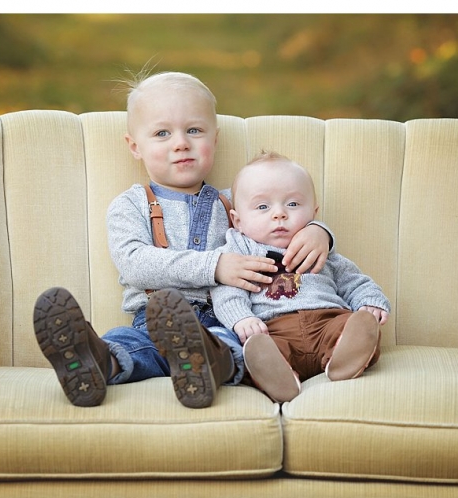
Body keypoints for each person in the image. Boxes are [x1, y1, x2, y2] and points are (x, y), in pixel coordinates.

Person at [33, 71, 332, 408]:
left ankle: (199, 366)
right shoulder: (131, 205)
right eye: (162, 133)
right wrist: (215, 266)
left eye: (194, 130)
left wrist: (317, 231)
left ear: (214, 139)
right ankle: (91, 362)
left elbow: (283, 212)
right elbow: (134, 263)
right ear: (135, 146)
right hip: (153, 317)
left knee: (229, 348)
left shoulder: (238, 201)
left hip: (223, 320)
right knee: (130, 344)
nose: (180, 143)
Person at [210, 151, 391, 403]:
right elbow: (226, 290)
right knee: (257, 350)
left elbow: (352, 278)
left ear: (313, 212)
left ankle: (344, 354)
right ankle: (281, 377)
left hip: (328, 321)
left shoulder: (316, 245)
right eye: (263, 206)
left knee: (354, 326)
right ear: (237, 221)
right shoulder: (239, 250)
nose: (279, 214)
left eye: (292, 204)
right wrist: (242, 318)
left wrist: (370, 301)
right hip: (275, 330)